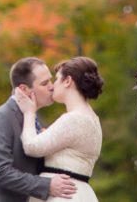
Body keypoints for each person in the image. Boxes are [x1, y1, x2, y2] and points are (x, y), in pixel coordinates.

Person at [0, 57, 78, 201]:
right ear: (24, 89)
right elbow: (0, 172)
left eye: (51, 80)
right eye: (44, 83)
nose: (52, 87)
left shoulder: (35, 120)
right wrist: (47, 185)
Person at [13, 57, 103, 202]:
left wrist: (29, 113)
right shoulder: (92, 118)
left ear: (67, 81)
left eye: (56, 79)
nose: (53, 85)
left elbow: (31, 147)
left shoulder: (74, 119)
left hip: (63, 196)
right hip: (80, 192)